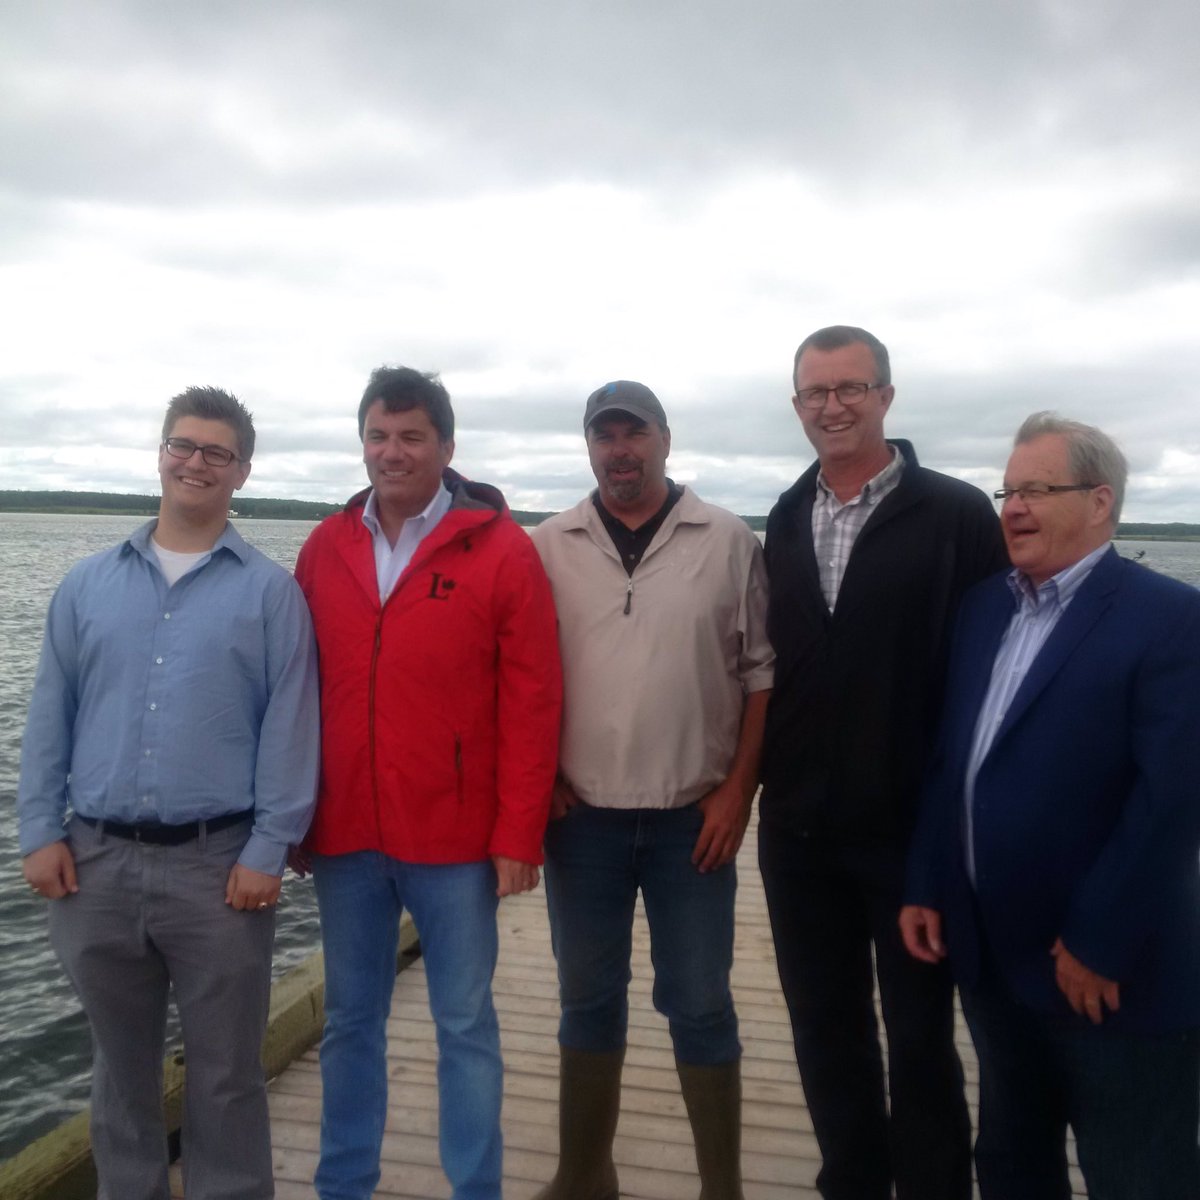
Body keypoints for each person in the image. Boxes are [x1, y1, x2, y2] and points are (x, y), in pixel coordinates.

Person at [17, 386, 320, 1200]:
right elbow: (51, 713)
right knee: (120, 1074)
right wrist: (39, 829)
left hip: (218, 869)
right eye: (183, 445)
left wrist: (269, 847)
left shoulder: (270, 594)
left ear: (242, 472)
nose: (196, 463)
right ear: (160, 454)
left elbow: (291, 729)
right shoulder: (86, 585)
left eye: (217, 452)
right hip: (94, 866)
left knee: (227, 1075)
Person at [902, 413, 1200, 1199]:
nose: (1013, 509)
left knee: (1137, 1175)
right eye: (1008, 492)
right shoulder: (984, 609)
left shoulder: (1172, 619)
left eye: (1036, 490)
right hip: (995, 963)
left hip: (1109, 976)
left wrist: (1099, 940)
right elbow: (954, 760)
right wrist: (929, 882)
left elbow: (1173, 801)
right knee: (1012, 1164)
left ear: (1100, 502)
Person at [291, 366, 561, 1200]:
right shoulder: (325, 547)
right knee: (349, 1023)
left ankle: (475, 1188)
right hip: (346, 836)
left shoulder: (502, 550)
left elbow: (534, 701)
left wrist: (519, 833)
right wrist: (292, 819)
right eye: (378, 435)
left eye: (411, 437)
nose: (392, 452)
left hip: (455, 842)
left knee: (465, 1024)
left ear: (446, 447)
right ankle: (344, 1185)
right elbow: (292, 693)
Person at [758, 326, 1008, 1200]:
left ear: (886, 398)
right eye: (815, 392)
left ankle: (935, 1186)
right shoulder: (786, 514)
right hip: (798, 831)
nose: (832, 406)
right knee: (824, 1031)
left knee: (920, 1036)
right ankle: (853, 1181)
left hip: (911, 833)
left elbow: (990, 675)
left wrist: (957, 828)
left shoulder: (956, 514)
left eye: (850, 388)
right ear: (796, 405)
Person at [529, 380, 774, 1200]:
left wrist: (739, 791)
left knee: (700, 1002)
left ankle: (721, 1188)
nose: (620, 450)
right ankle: (583, 1176)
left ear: (665, 439)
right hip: (581, 822)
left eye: (634, 433)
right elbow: (521, 672)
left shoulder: (728, 538)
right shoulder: (548, 544)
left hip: (690, 821)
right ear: (589, 447)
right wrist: (541, 775)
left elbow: (761, 674)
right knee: (586, 999)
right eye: (605, 436)